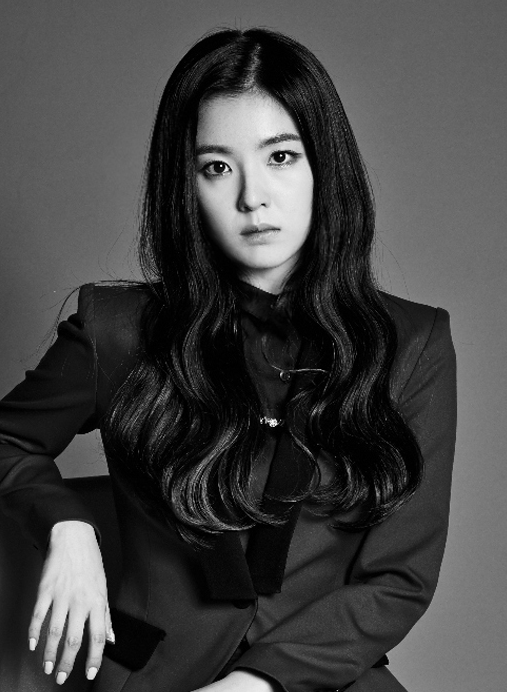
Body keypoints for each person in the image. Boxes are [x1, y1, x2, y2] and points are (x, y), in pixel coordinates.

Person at [0, 27, 456, 692]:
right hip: (153, 674)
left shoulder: (411, 343)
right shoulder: (117, 329)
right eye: (216, 167)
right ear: (184, 186)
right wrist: (67, 528)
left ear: (324, 166)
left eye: (281, 157)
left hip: (324, 680)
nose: (252, 197)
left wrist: (258, 683)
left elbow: (399, 579)